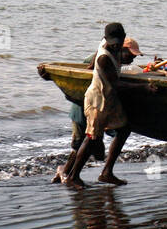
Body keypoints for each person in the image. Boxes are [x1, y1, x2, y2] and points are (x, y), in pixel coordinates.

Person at [62, 23, 157, 187]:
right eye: (113, 43)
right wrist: (144, 88)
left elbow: (92, 67)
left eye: (119, 42)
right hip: (97, 101)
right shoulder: (104, 57)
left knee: (124, 129)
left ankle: (107, 173)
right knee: (92, 138)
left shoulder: (107, 46)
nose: (116, 45)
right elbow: (116, 85)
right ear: (106, 40)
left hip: (109, 99)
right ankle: (73, 177)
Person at [53, 36, 142, 183]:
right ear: (119, 48)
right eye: (130, 55)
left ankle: (69, 174)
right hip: (84, 107)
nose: (132, 60)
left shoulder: (115, 59)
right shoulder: (102, 59)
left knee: (103, 142)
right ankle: (67, 174)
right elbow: (84, 78)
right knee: (84, 143)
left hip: (103, 105)